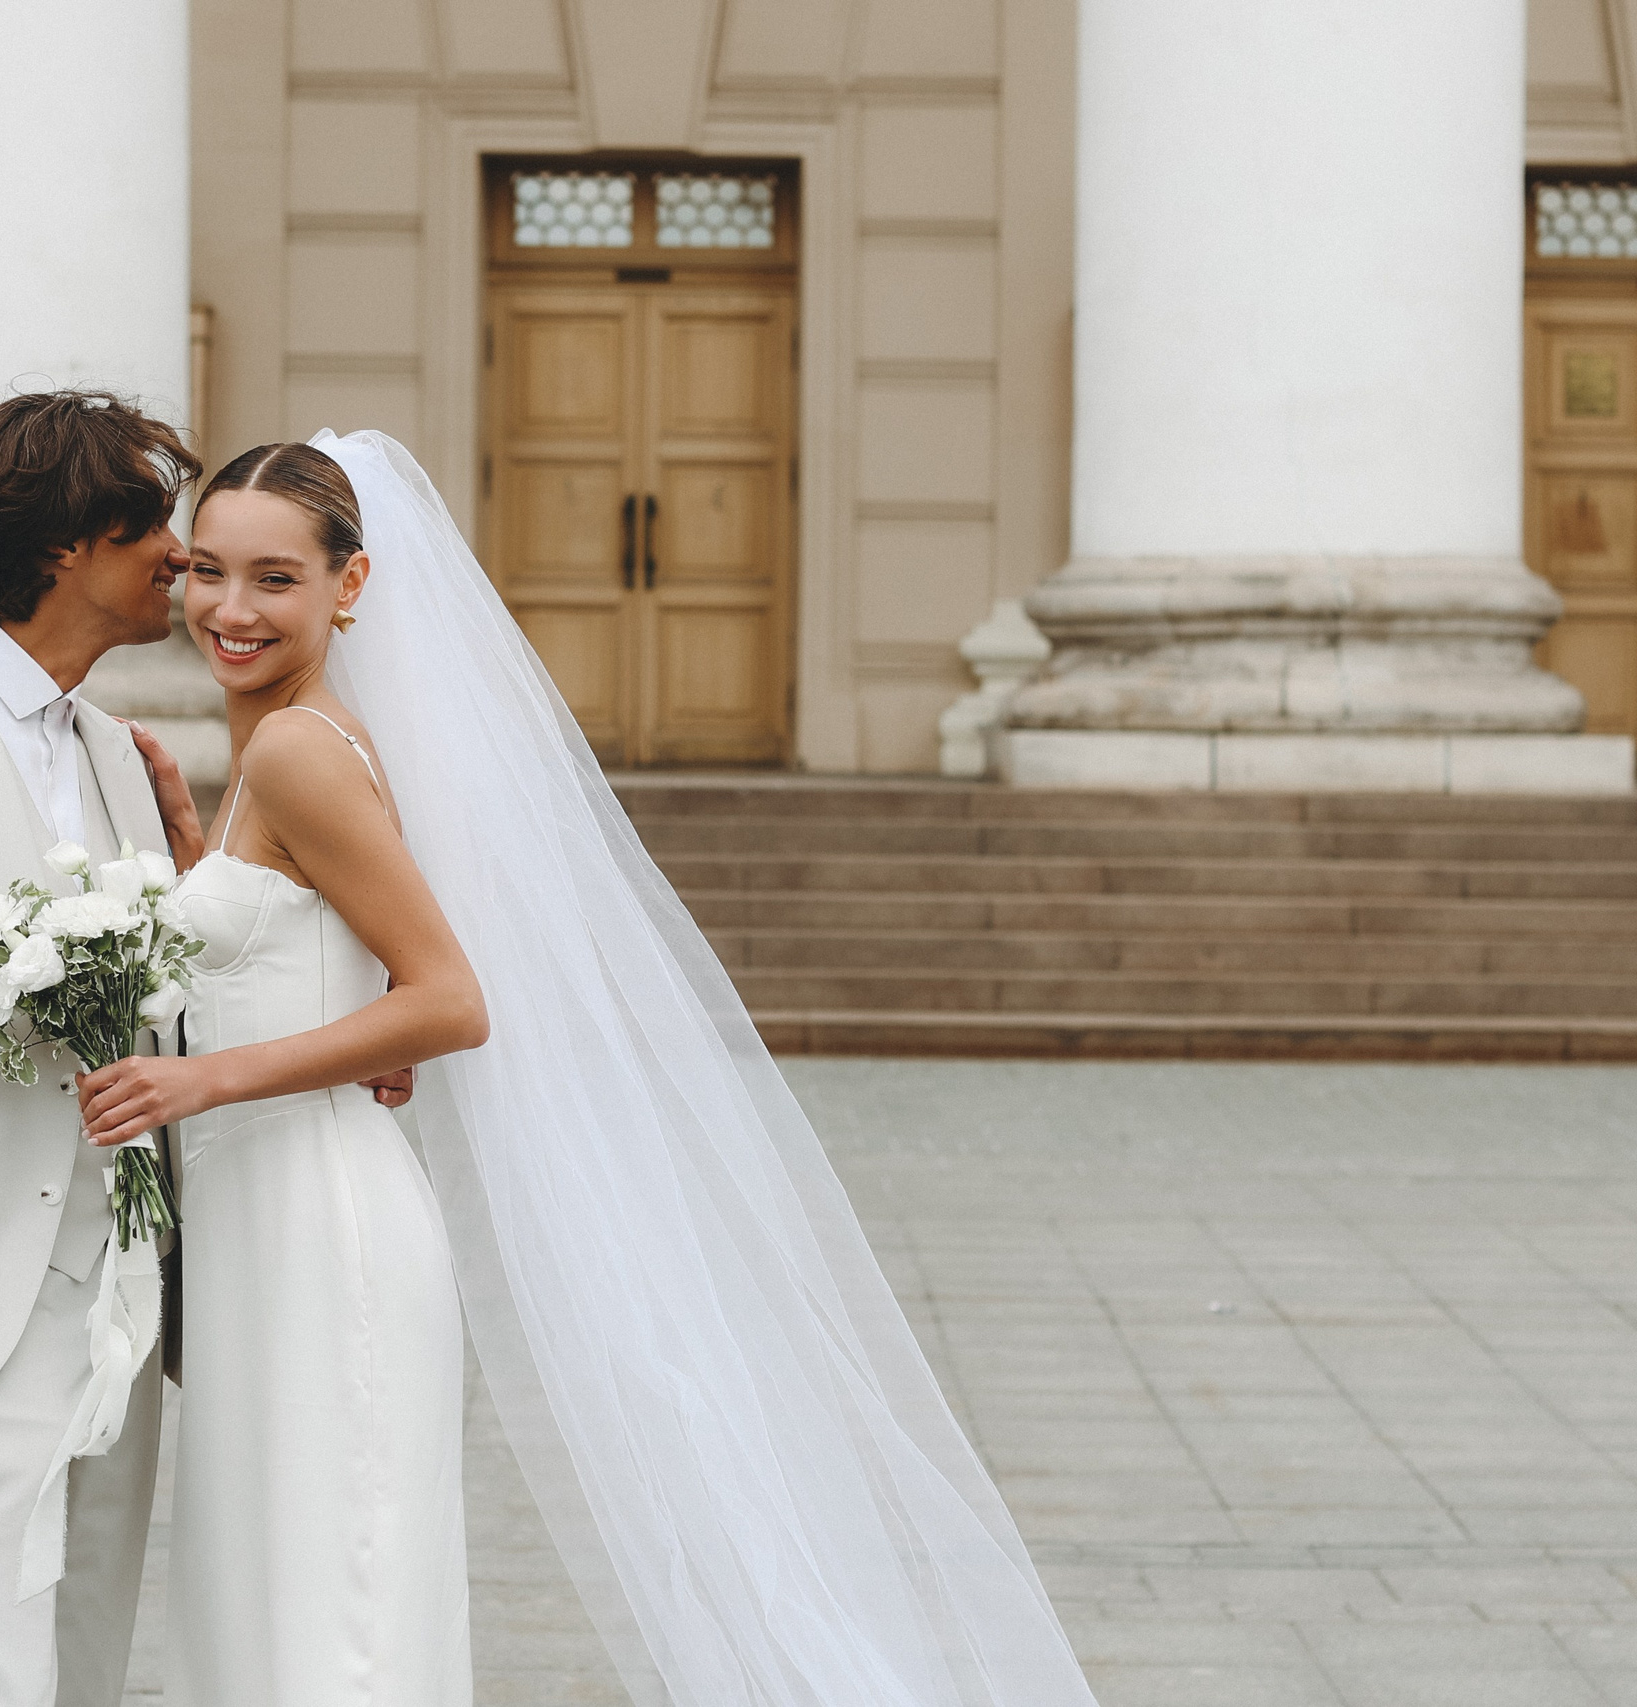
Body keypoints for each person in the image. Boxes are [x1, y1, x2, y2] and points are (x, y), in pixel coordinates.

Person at [77, 433, 1101, 1707]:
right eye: (210, 573)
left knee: (330, 1601)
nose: (230, 610)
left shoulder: (295, 752)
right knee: (284, 1589)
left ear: (351, 586)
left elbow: (449, 1001)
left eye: (275, 579)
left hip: (316, 1226)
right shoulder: (278, 746)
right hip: (265, 1223)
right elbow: (314, 962)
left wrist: (202, 1085)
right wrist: (191, 860)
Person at [0, 391, 413, 1707]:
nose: (181, 558)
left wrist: (348, 1028)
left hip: (126, 1293)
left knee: (87, 1658)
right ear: (67, 548)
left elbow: (164, 987)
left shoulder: (118, 752)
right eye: (154, 529)